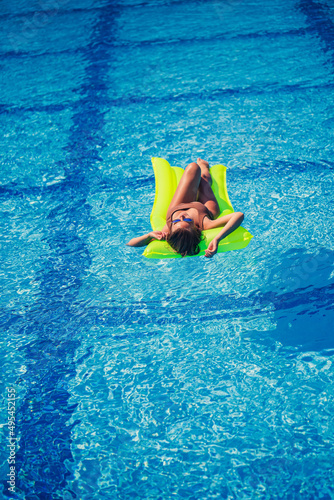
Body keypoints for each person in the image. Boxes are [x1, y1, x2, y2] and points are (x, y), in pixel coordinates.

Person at [126, 159, 244, 258]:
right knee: (203, 178)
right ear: (196, 228)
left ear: (172, 228)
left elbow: (130, 244)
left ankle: (198, 178)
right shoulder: (206, 224)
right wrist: (218, 238)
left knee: (193, 167)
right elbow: (239, 215)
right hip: (203, 209)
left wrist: (149, 236)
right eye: (187, 221)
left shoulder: (167, 231)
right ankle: (205, 167)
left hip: (179, 206)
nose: (181, 217)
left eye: (176, 221)